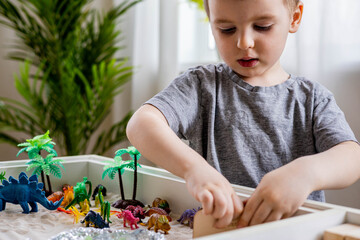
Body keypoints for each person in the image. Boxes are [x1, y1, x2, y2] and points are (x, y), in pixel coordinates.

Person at [126, 0, 360, 229]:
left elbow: (352, 157)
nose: (244, 42)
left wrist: (306, 173)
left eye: (262, 26)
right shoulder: (201, 85)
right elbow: (141, 124)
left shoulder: (312, 98)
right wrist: (194, 170)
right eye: (226, 29)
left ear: (295, 17)